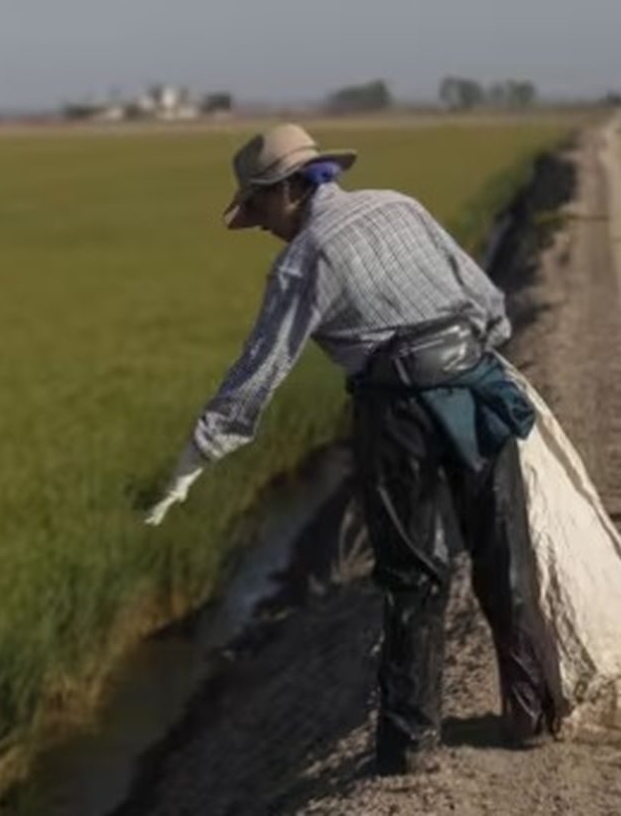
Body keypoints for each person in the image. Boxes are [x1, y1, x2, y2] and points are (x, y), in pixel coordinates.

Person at [143, 124, 563, 774]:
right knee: (503, 548)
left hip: (399, 413)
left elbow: (258, 372)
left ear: (285, 192)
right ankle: (531, 714)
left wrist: (190, 464)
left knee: (411, 576)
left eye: (258, 211)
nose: (261, 227)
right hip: (477, 385)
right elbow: (486, 300)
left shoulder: (304, 259)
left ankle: (409, 744)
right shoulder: (401, 204)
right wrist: (478, 362)